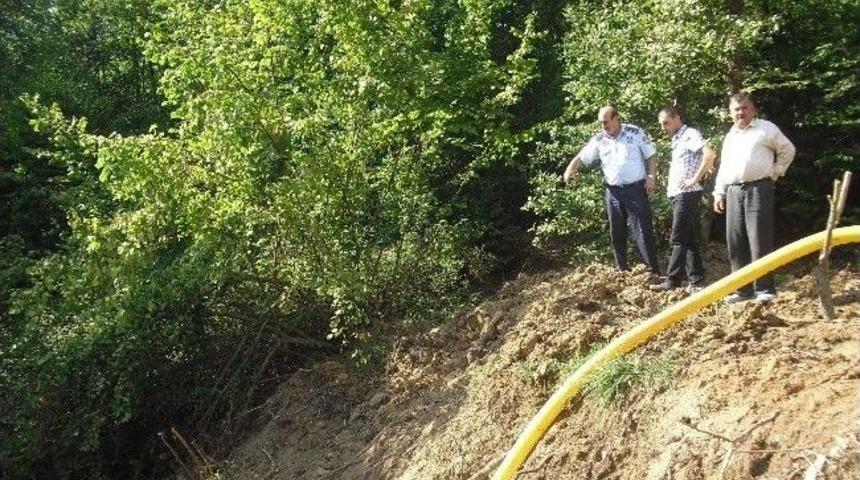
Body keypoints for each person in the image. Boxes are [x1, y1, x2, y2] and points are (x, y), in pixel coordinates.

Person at [712, 92, 796, 303]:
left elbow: (788, 149)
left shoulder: (766, 128)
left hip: (759, 189)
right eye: (736, 109)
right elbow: (725, 167)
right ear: (731, 113)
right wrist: (718, 192)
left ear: (753, 109)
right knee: (735, 241)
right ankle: (742, 290)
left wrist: (776, 172)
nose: (741, 112)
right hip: (733, 191)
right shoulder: (730, 136)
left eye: (744, 108)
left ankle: (764, 289)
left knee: (759, 239)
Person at [563, 106, 661, 277]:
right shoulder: (599, 139)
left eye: (606, 122)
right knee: (616, 232)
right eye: (601, 123)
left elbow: (651, 155)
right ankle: (622, 269)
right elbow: (582, 157)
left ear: (616, 118)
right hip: (613, 192)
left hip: (636, 189)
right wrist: (570, 169)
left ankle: (653, 270)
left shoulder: (635, 133)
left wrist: (651, 176)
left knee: (643, 230)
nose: (604, 126)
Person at [650, 106, 716, 292]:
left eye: (666, 123)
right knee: (689, 239)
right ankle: (697, 280)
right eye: (661, 124)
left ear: (677, 118)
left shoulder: (689, 134)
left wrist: (695, 178)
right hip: (680, 194)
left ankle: (673, 280)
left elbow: (709, 154)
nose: (663, 128)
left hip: (686, 194)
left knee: (678, 237)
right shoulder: (678, 139)